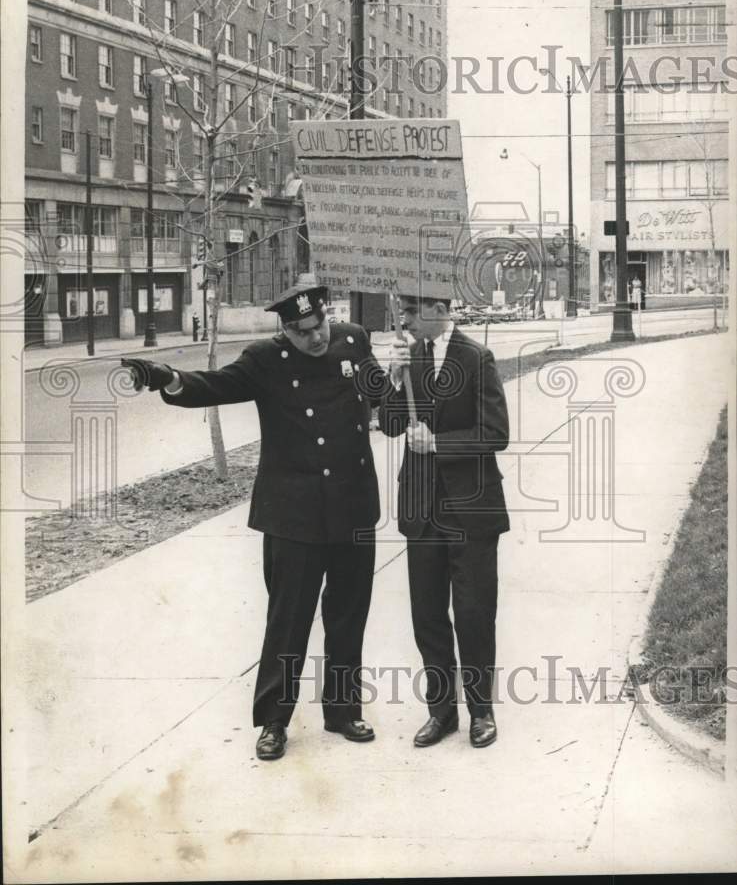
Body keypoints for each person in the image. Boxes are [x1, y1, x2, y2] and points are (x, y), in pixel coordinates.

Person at [122, 281, 384, 762]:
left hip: (352, 505)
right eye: (303, 332)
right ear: (285, 330)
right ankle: (274, 721)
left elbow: (378, 394)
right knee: (289, 621)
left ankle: (343, 710)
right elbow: (215, 385)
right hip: (294, 514)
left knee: (349, 614)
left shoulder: (353, 339)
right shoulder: (265, 358)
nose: (316, 337)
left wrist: (394, 388)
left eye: (320, 324)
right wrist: (168, 378)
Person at [379, 294, 510, 749]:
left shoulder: (476, 357)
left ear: (437, 308)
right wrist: (393, 382)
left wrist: (437, 444)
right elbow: (392, 426)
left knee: (473, 613)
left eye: (411, 314)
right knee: (427, 614)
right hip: (422, 509)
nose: (405, 322)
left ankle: (481, 711)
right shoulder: (410, 358)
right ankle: (441, 712)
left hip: (470, 509)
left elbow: (496, 433)